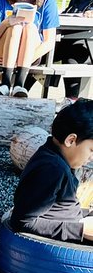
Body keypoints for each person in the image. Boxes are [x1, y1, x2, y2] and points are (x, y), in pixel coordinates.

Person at [11, 98, 93, 243]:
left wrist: (86, 214)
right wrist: (81, 231)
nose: (91, 158)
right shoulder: (52, 169)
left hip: (72, 223)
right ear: (71, 140)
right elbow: (22, 221)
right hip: (64, 238)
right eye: (91, 150)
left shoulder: (59, 158)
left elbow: (61, 208)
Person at [57, 0, 93, 101]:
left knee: (73, 53)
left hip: (87, 44)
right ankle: (20, 90)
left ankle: (71, 100)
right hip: (66, 39)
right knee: (43, 51)